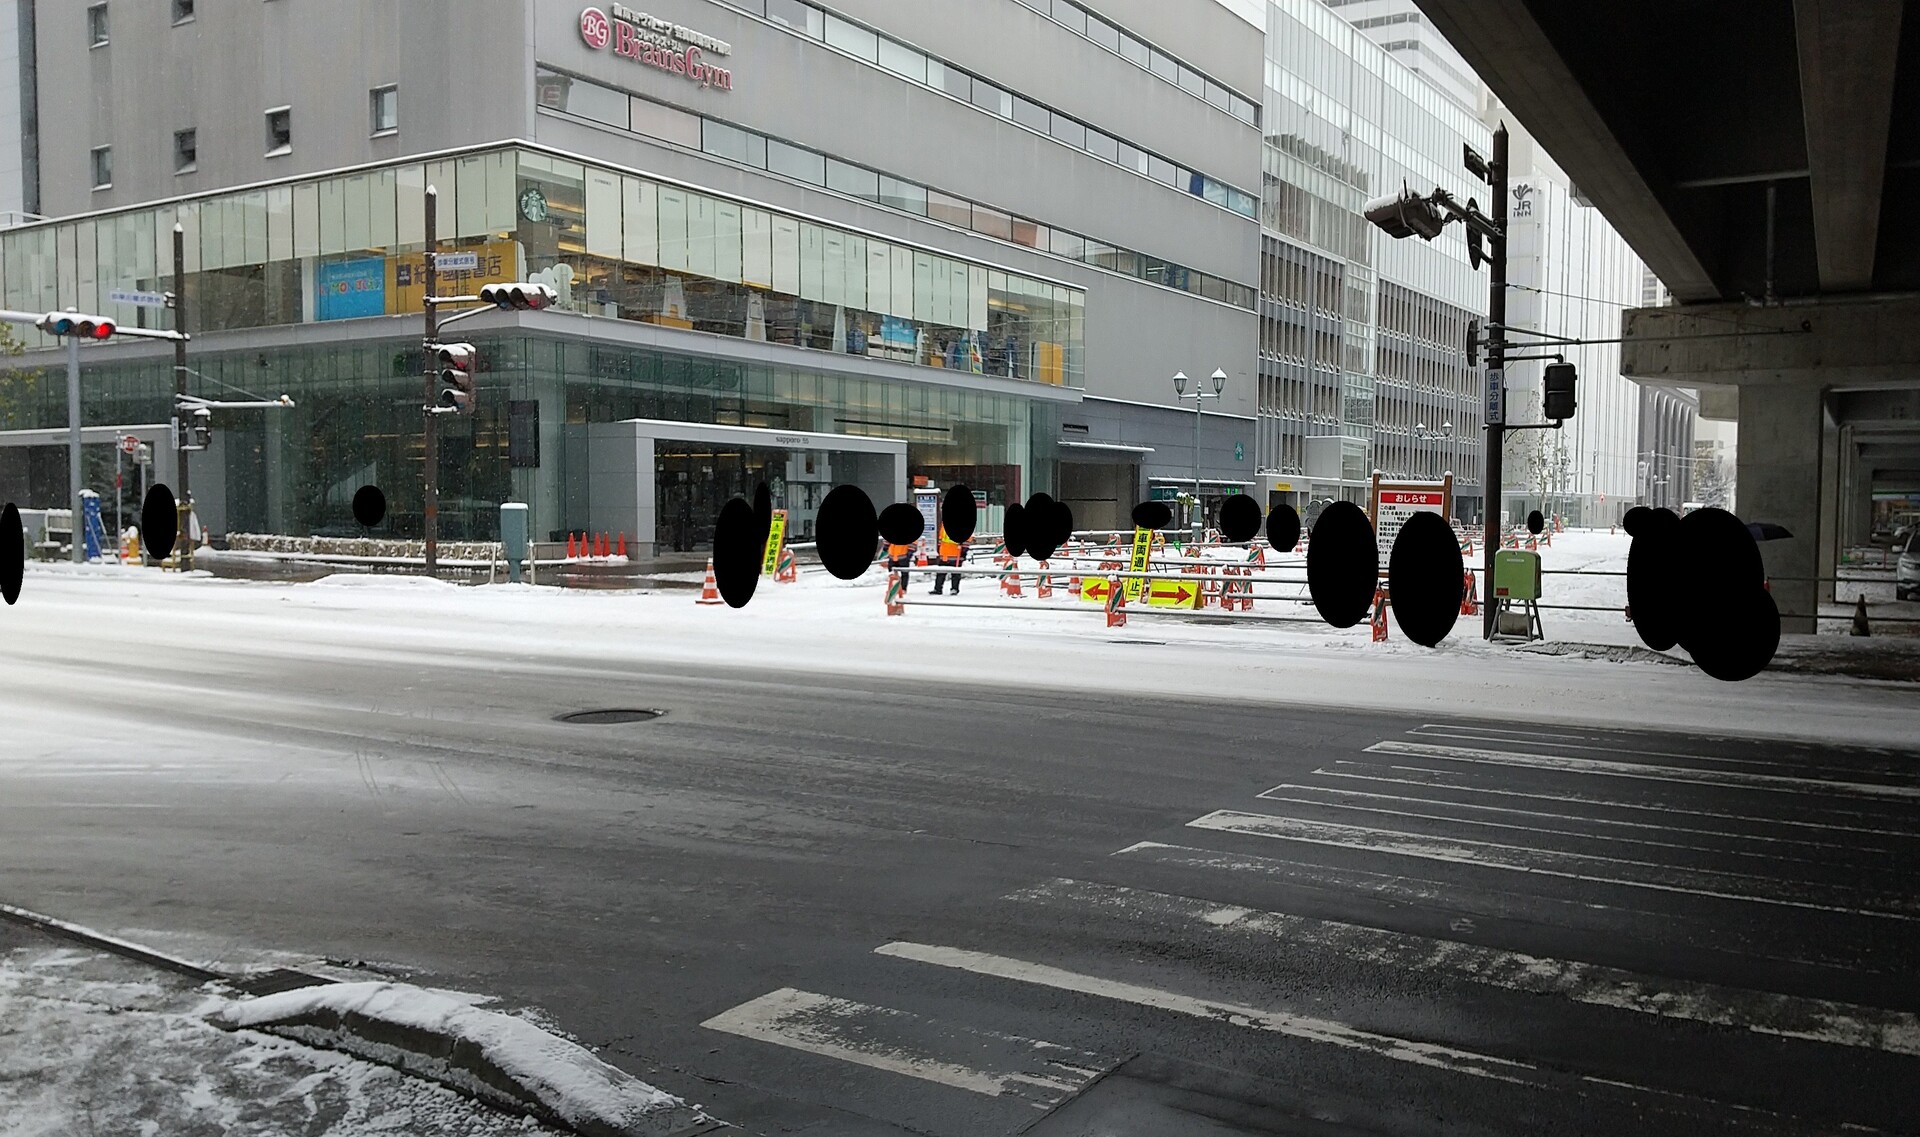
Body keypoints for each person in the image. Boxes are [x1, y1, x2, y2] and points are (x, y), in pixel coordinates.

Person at [930, 525, 967, 595]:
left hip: (956, 554)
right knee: (940, 573)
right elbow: (941, 538)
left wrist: (964, 549)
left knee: (955, 574)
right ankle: (938, 589)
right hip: (944, 554)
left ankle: (954, 589)